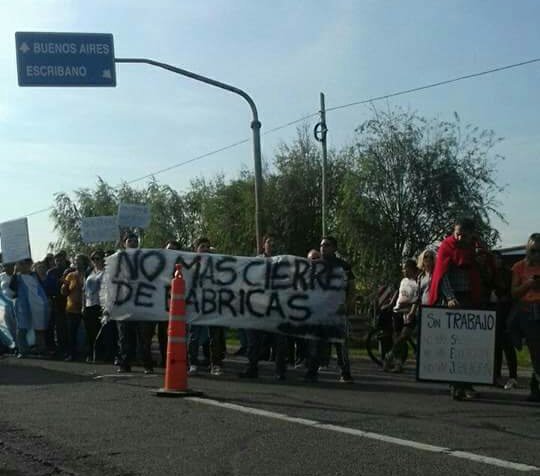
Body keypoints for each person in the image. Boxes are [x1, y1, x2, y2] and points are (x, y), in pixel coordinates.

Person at [429, 217, 482, 401]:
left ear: (471, 235)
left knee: (469, 344)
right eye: (457, 234)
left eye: (463, 235)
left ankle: (467, 384)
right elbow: (442, 275)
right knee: (455, 345)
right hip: (454, 300)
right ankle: (456, 386)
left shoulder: (476, 249)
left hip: (470, 298)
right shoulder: (446, 246)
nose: (459, 238)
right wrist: (450, 297)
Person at [304, 236, 354, 383]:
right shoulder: (314, 265)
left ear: (334, 248)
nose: (323, 248)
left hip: (337, 311)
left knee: (341, 344)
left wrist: (348, 304)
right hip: (319, 311)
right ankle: (312, 371)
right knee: (315, 342)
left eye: (326, 245)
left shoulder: (343, 266)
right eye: (321, 245)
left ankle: (345, 372)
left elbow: (351, 288)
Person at [239, 234, 288, 380]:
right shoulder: (256, 262)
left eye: (274, 242)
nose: (271, 244)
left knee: (280, 341)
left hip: (276, 308)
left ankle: (280, 371)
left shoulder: (284, 262)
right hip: (258, 307)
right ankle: (252, 368)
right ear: (263, 245)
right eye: (269, 242)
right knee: (254, 341)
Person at [510, 233, 540, 402]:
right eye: (534, 251)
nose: (537, 255)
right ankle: (535, 387)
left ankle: (535, 385)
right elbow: (514, 293)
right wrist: (528, 284)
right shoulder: (519, 267)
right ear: (527, 250)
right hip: (528, 311)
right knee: (536, 351)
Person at [188, 237, 224, 376]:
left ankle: (215, 364)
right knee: (194, 336)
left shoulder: (216, 264)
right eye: (202, 246)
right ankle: (193, 363)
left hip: (213, 304)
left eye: (207, 246)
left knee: (215, 336)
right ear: (195, 249)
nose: (206, 249)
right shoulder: (189, 264)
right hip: (195, 305)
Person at [383, 258, 420, 373]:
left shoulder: (417, 282)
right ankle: (398, 363)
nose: (403, 271)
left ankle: (389, 355)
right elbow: (398, 292)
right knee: (398, 338)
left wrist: (410, 307)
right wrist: (391, 303)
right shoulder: (403, 280)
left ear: (412, 268)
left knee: (403, 337)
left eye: (405, 268)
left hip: (408, 313)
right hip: (397, 312)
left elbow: (417, 299)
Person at [10, 258, 50, 357]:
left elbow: (41, 287)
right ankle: (23, 351)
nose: (25, 266)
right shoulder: (17, 277)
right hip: (23, 306)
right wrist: (15, 272)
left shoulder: (34, 275)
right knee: (22, 328)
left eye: (27, 264)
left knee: (39, 328)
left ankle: (41, 348)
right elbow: (12, 287)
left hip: (37, 304)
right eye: (22, 264)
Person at [492, 251, 518, 389]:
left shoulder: (508, 273)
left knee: (507, 346)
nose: (495, 261)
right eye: (493, 258)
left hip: (506, 310)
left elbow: (511, 292)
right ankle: (496, 375)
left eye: (498, 258)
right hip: (493, 311)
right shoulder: (489, 272)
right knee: (495, 346)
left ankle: (513, 376)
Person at [61, 254, 90, 361]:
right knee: (72, 333)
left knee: (87, 332)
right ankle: (72, 354)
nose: (77, 262)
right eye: (76, 260)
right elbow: (64, 292)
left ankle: (88, 353)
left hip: (87, 307)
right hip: (72, 308)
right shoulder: (70, 275)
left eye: (79, 260)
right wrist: (64, 286)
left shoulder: (89, 274)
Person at [83, 250, 106, 363]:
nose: (96, 261)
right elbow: (84, 291)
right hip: (89, 304)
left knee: (99, 332)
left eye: (98, 258)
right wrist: (83, 306)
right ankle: (90, 354)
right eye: (93, 259)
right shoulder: (89, 272)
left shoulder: (106, 272)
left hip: (100, 304)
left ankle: (99, 355)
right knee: (89, 332)